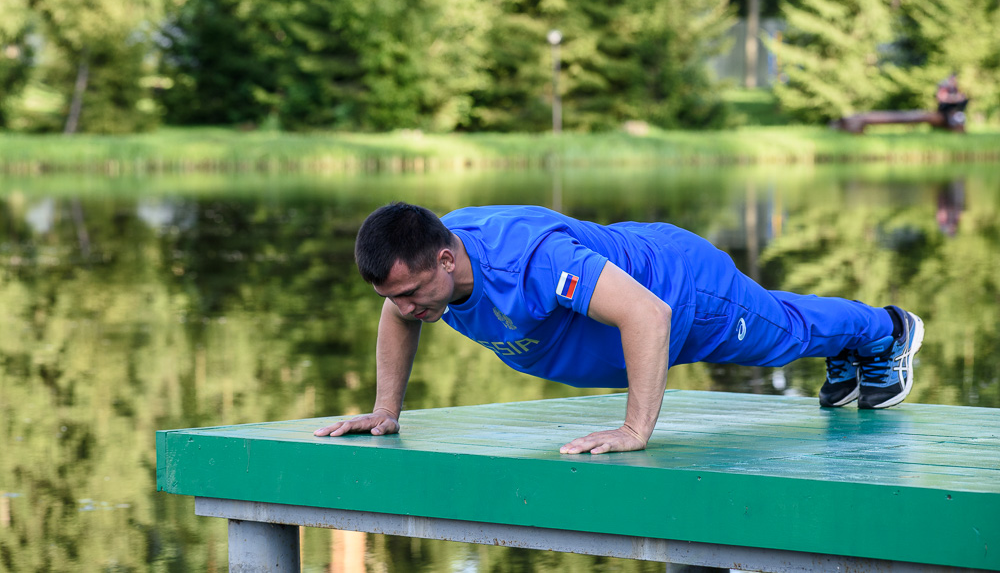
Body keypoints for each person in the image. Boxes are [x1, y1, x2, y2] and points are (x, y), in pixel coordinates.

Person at [314, 203, 923, 455]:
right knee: (779, 319)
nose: (408, 309)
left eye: (415, 293)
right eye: (394, 297)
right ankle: (851, 348)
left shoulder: (531, 260)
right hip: (638, 284)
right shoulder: (425, 268)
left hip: (683, 292)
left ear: (446, 261)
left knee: (780, 334)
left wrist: (636, 429)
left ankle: (886, 331)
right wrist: (385, 409)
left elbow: (646, 314)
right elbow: (396, 314)